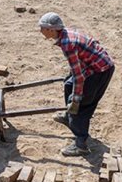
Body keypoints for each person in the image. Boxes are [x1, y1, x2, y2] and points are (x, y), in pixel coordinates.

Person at [38, 12, 114, 156]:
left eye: (42, 28)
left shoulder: (68, 44)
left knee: (82, 105)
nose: (40, 31)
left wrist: (76, 99)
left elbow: (79, 77)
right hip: (92, 65)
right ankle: (69, 116)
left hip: (100, 71)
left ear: (52, 29)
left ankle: (81, 144)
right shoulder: (65, 34)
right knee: (68, 84)